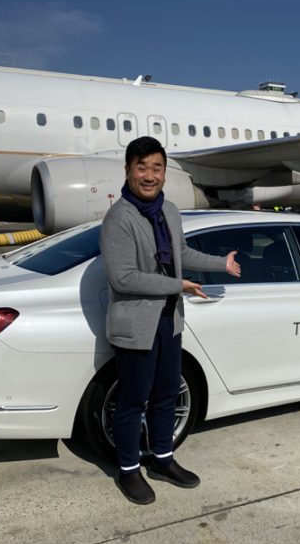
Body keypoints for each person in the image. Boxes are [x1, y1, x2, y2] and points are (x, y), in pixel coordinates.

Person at [100, 136, 241, 505]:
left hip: (169, 321)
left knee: (165, 395)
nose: (149, 176)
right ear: (128, 170)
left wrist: (219, 264)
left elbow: (180, 252)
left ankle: (162, 459)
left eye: (156, 167)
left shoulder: (170, 211)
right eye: (142, 167)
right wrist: (177, 284)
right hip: (136, 327)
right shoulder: (119, 218)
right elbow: (123, 278)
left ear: (164, 172)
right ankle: (128, 469)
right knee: (133, 400)